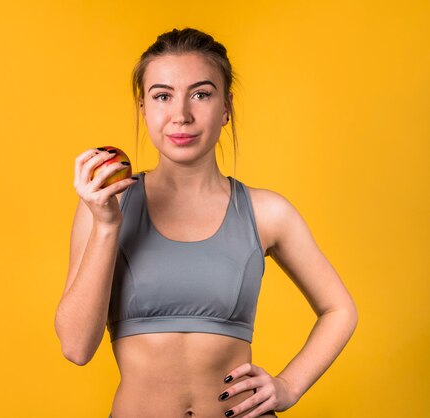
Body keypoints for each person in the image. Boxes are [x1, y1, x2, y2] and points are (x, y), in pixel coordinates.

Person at [54, 27, 358, 418]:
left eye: (201, 94)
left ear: (226, 106)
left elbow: (339, 309)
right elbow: (76, 348)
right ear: (143, 107)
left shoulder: (267, 212)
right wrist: (108, 225)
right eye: (162, 96)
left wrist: (288, 386)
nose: (181, 115)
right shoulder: (105, 204)